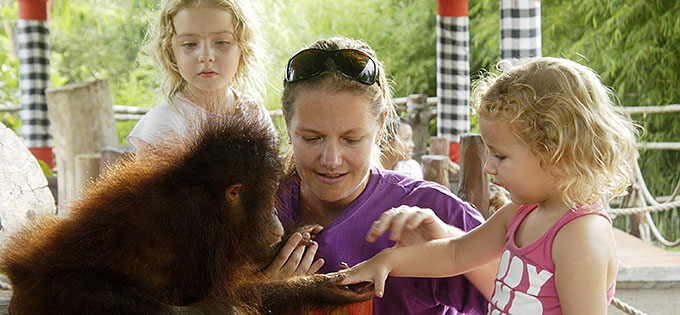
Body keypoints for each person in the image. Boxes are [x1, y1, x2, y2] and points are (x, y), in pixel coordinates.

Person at [339, 57, 639, 314]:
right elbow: (456, 254)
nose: (488, 166)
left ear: (555, 152)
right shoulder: (520, 214)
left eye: (500, 155)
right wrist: (387, 261)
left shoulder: (580, 234)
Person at [265, 36, 498, 315]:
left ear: (380, 126)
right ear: (288, 127)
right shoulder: (255, 208)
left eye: (351, 139)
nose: (331, 159)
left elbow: (533, 299)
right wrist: (259, 295)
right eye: (312, 138)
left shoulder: (431, 209)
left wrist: (451, 245)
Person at [127, 0, 273, 154]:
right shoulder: (162, 125)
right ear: (170, 52)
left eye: (222, 42)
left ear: (242, 48)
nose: (206, 56)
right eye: (190, 44)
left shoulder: (254, 113)